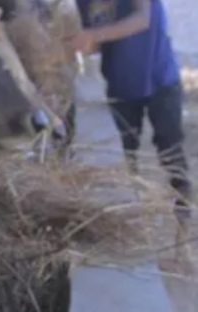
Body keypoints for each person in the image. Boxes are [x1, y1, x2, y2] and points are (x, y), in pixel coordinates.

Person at [71, 0, 192, 217]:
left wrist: (94, 36)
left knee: (170, 149)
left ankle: (182, 212)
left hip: (159, 79)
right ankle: (133, 214)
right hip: (119, 83)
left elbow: (142, 19)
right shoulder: (82, 3)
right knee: (124, 152)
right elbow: (90, 41)